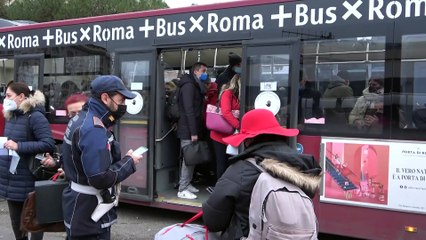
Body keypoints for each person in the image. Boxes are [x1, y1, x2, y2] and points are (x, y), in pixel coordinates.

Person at [202, 109, 322, 239]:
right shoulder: (302, 168)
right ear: (278, 134)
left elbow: (213, 221)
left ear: (248, 140)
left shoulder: (240, 171)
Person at [61, 75, 142, 239]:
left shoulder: (82, 118)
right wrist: (129, 162)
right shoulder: (93, 127)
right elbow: (100, 178)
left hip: (79, 209)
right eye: (121, 100)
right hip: (90, 215)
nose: (124, 105)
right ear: (105, 97)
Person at [0, 82, 55, 240]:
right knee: (17, 225)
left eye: (9, 96)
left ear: (21, 97)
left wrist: (19, 145)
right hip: (11, 179)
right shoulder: (11, 116)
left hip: (30, 179)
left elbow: (48, 143)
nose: (6, 99)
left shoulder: (35, 117)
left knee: (34, 223)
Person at [176, 62, 209, 200]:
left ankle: (187, 183)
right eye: (203, 70)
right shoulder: (189, 86)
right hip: (188, 129)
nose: (205, 73)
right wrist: (193, 132)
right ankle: (182, 188)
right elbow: (189, 110)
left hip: (192, 127)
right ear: (195, 71)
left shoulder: (195, 85)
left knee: (192, 158)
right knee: (188, 160)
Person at [41, 93, 89, 172]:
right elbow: (65, 162)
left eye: (80, 112)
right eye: (73, 113)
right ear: (68, 115)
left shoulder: (98, 132)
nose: (78, 116)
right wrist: (54, 164)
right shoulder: (69, 133)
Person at [210, 74, 240, 180]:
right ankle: (220, 189)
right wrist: (238, 125)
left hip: (228, 134)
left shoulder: (235, 95)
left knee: (228, 163)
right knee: (222, 163)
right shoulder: (228, 93)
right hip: (220, 135)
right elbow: (226, 112)